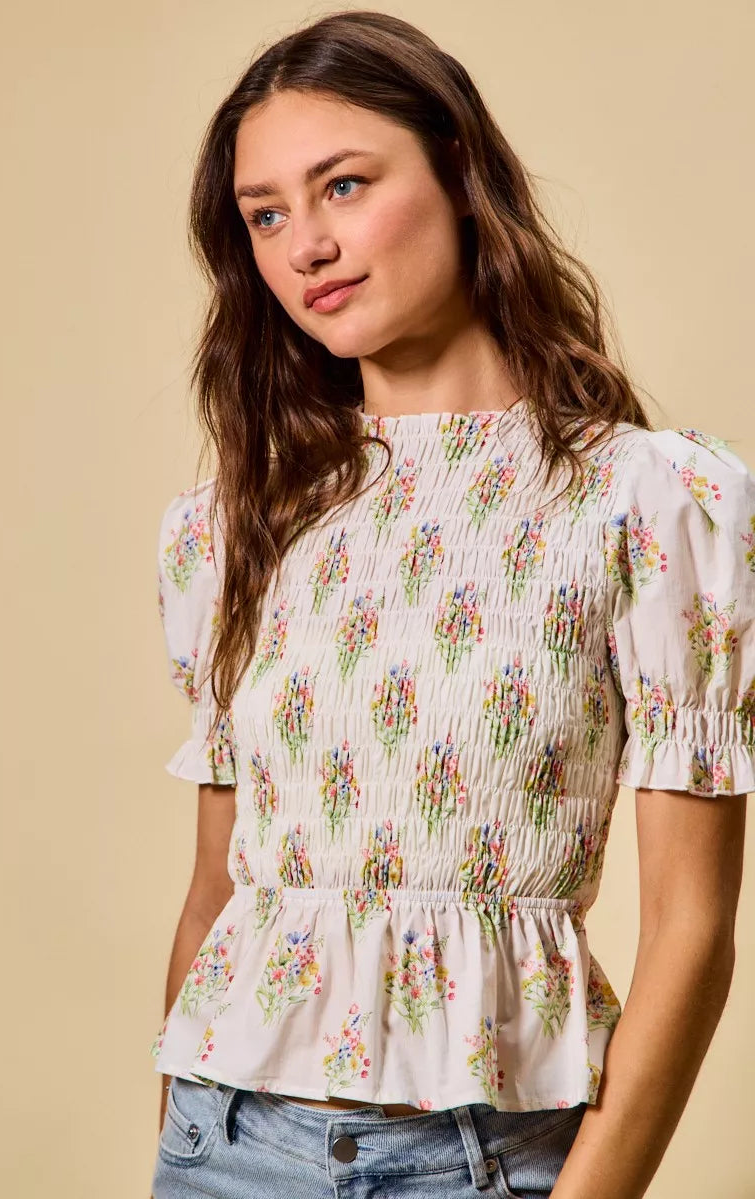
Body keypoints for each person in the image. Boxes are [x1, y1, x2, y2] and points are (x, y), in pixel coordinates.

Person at [148, 10, 754, 1198]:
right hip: (223, 1147)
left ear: (460, 175)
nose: (307, 245)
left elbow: (690, 927)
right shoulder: (236, 521)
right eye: (265, 214)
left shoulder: (645, 502)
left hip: (479, 1161)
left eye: (343, 185)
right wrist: (172, 1142)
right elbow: (214, 890)